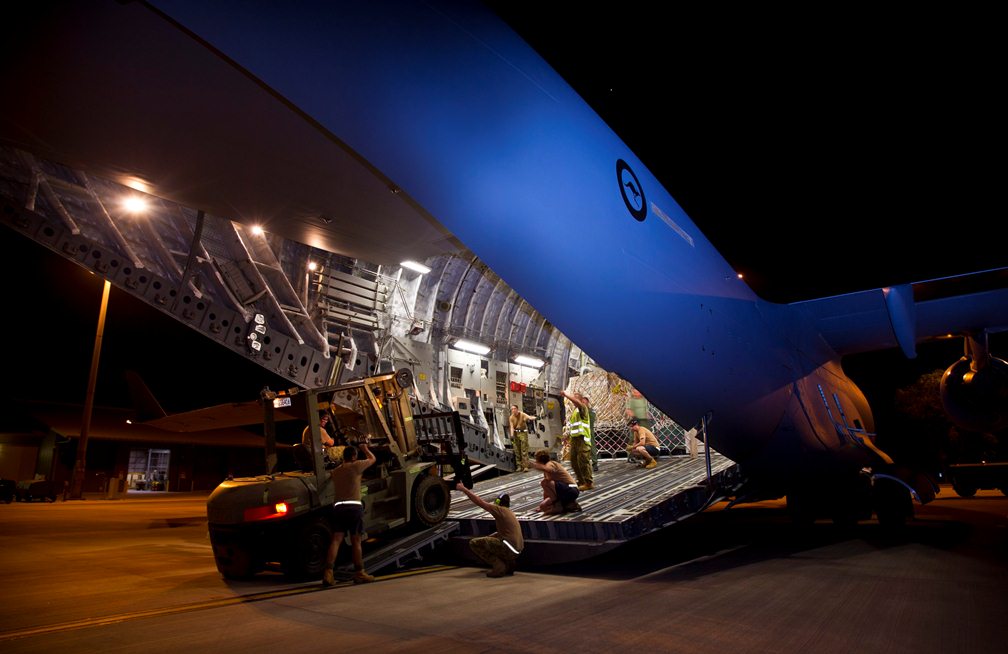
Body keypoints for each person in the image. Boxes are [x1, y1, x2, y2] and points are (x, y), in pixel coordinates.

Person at [322, 442, 377, 587]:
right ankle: (359, 573)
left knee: (336, 540)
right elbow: (373, 459)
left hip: (339, 507)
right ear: (353, 456)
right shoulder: (356, 465)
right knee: (356, 541)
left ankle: (328, 573)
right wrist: (365, 449)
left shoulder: (336, 471)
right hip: (353, 507)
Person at [454, 482, 523, 577]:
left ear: (498, 502)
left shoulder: (499, 509)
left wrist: (464, 489)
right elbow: (503, 533)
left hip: (509, 549)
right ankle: (509, 564)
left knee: (474, 543)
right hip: (517, 551)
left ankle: (499, 566)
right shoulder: (510, 513)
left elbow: (479, 502)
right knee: (490, 541)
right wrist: (489, 537)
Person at [560, 389, 594, 490]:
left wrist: (566, 395)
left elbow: (577, 403)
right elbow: (572, 426)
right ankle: (581, 481)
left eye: (575, 398)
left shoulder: (583, 408)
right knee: (574, 462)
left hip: (582, 440)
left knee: (583, 462)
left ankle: (588, 482)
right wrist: (567, 436)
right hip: (574, 440)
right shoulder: (574, 412)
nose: (572, 400)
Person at [529, 449, 580, 514]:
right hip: (566, 489)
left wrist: (535, 465)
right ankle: (567, 504)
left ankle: (558, 505)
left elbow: (550, 470)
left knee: (545, 482)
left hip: (572, 488)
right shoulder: (546, 471)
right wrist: (543, 505)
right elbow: (547, 491)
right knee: (543, 506)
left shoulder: (550, 463)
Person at [508, 404, 536, 472]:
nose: (513, 410)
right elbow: (511, 427)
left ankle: (525, 466)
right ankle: (519, 466)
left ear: (517, 409)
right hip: (516, 433)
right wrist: (511, 435)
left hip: (523, 432)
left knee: (524, 449)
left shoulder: (522, 414)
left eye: (514, 409)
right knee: (517, 450)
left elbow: (529, 417)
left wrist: (535, 418)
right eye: (512, 409)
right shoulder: (511, 417)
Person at [583, 395, 598, 472]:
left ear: (588, 402)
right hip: (581, 432)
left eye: (585, 402)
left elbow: (591, 420)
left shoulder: (591, 411)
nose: (583, 403)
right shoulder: (578, 411)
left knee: (592, 448)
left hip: (589, 431)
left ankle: (595, 463)